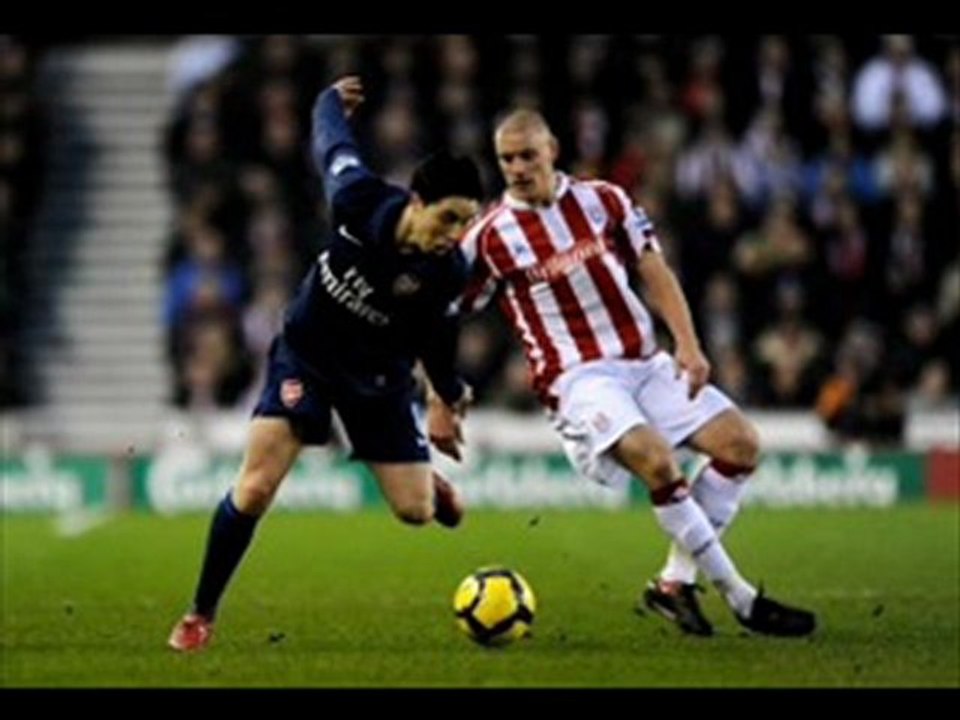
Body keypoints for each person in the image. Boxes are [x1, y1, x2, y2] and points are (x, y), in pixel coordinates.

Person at [428, 109, 816, 638]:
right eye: (506, 159)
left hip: (644, 363)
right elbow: (437, 313)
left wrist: (688, 345)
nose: (517, 168)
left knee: (740, 445)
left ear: (552, 150)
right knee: (658, 461)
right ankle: (742, 598)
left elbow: (654, 268)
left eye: (527, 156)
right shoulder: (488, 236)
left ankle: (673, 584)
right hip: (578, 381)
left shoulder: (604, 199)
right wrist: (439, 399)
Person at [168, 76, 483, 652]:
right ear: (416, 202)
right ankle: (200, 613)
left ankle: (426, 484)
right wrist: (327, 101)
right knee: (256, 487)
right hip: (306, 357)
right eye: (448, 218)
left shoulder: (448, 270)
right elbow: (332, 144)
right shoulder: (358, 200)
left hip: (380, 379)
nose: (455, 235)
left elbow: (437, 336)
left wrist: (445, 397)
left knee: (415, 512)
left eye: (466, 223)